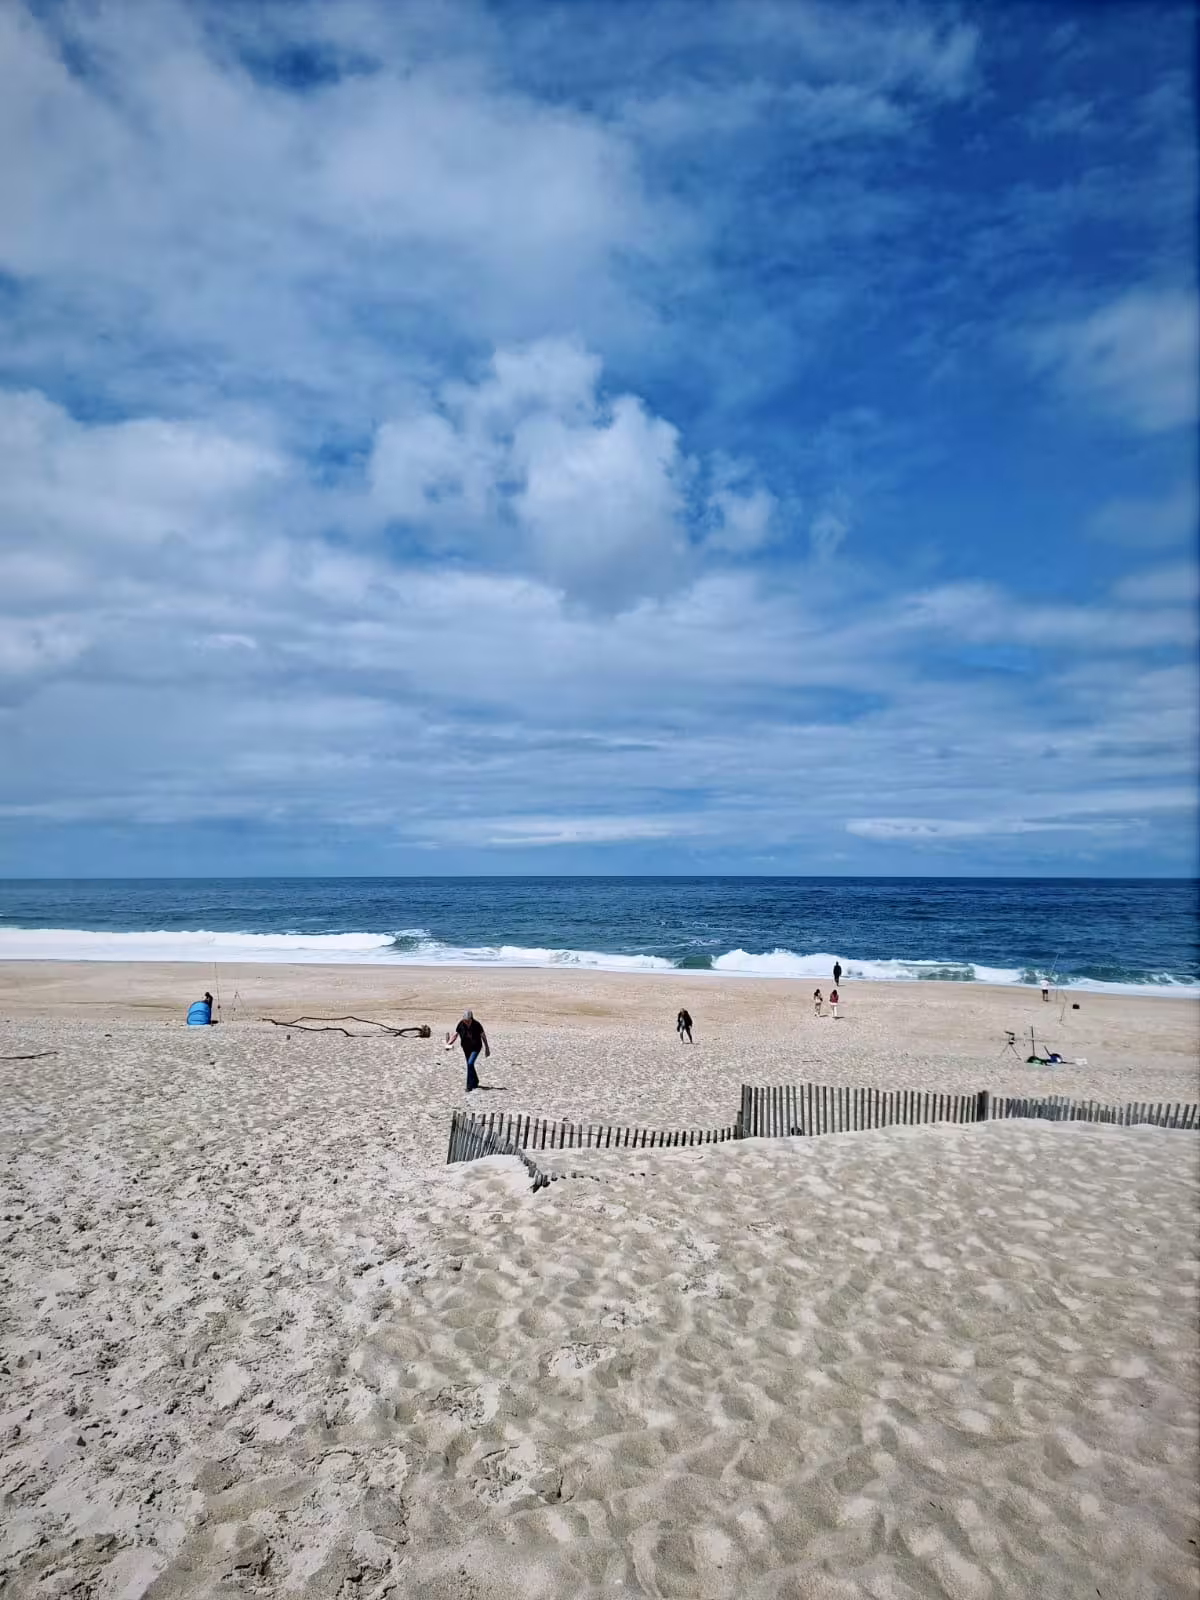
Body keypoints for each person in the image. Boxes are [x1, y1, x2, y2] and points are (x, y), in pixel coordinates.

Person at [448, 1009, 489, 1092]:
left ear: (471, 1019)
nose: (466, 1022)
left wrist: (487, 1048)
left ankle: (469, 1086)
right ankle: (475, 1081)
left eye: (468, 1021)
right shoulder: (461, 1024)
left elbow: (483, 1036)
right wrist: (449, 1043)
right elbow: (455, 1035)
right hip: (466, 1048)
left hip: (476, 1047)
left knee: (470, 1063)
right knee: (470, 1065)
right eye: (465, 1020)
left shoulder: (477, 1024)